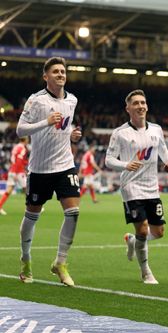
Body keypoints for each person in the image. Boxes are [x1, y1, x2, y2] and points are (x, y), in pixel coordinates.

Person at [16, 56, 83, 286]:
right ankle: (26, 259)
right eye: (55, 71)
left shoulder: (72, 100)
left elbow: (64, 126)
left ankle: (60, 262)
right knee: (31, 216)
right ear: (46, 76)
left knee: (73, 213)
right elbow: (20, 129)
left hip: (65, 165)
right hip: (40, 169)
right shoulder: (36, 101)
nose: (61, 75)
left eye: (63, 71)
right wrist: (45, 122)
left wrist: (72, 134)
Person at [105, 89, 168, 284]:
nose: (140, 106)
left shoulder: (156, 129)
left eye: (143, 102)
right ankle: (146, 271)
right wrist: (125, 165)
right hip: (131, 186)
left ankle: (132, 241)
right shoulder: (120, 133)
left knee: (158, 233)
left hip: (151, 186)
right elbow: (108, 160)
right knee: (142, 229)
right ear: (128, 108)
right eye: (136, 103)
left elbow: (164, 153)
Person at [0, 137, 29, 215]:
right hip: (18, 172)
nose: (28, 141)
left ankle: (0, 206)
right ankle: (32, 207)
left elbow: (13, 159)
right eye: (27, 140)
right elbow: (19, 161)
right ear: (25, 140)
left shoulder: (15, 147)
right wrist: (17, 172)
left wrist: (25, 163)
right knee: (27, 189)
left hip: (12, 170)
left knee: (9, 190)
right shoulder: (22, 148)